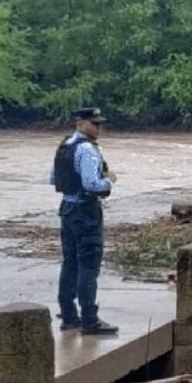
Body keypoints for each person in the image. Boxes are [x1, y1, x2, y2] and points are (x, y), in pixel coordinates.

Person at [51, 107, 119, 335]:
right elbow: (91, 184)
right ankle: (90, 320)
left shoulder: (65, 146)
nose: (99, 128)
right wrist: (108, 182)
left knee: (70, 262)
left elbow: (53, 178)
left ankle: (69, 315)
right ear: (80, 124)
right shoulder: (87, 150)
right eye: (94, 123)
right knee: (88, 265)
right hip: (86, 211)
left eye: (100, 124)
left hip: (67, 209)